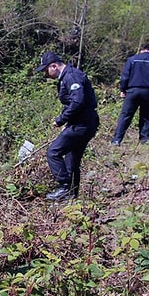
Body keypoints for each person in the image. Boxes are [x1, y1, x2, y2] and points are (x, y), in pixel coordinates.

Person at [35, 51, 99, 201]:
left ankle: (64, 187)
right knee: (72, 159)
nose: (46, 74)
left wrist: (61, 120)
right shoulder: (68, 76)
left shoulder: (71, 76)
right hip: (83, 123)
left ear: (54, 66)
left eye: (46, 70)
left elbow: (78, 102)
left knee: (53, 152)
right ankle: (71, 196)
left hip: (82, 124)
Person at [111, 43, 149, 145]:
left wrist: (123, 89)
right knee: (146, 117)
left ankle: (116, 140)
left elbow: (125, 77)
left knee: (125, 116)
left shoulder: (132, 59)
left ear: (141, 50)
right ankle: (144, 141)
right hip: (148, 92)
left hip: (132, 91)